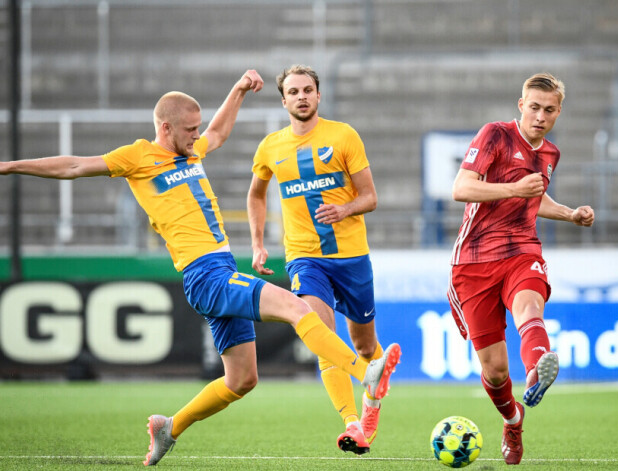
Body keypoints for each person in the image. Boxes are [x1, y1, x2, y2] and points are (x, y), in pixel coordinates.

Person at [0, 69, 401, 466]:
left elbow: (220, 133)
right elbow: (72, 166)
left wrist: (239, 90)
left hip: (221, 266)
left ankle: (169, 427)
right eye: (191, 129)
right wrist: (9, 166)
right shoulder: (138, 157)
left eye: (197, 128)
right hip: (205, 274)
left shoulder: (189, 151)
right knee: (299, 309)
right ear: (165, 127)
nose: (198, 136)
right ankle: (363, 373)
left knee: (241, 380)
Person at [447, 72, 595, 465]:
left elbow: (536, 197)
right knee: (495, 373)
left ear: (558, 112)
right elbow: (461, 188)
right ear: (521, 105)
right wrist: (513, 188)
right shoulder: (494, 135)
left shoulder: (551, 154)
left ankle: (536, 372)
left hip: (520, 250)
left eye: (549, 110)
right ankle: (513, 420)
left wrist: (570, 214)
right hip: (474, 260)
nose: (540, 116)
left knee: (530, 307)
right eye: (534, 107)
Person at [247, 65, 386, 455]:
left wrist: (345, 211)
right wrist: (258, 243)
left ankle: (372, 395)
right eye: (294, 92)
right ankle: (351, 422)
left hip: (351, 256)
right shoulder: (271, 147)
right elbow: (256, 194)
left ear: (318, 96)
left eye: (308, 90)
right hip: (305, 258)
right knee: (321, 333)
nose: (302, 96)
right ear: (284, 100)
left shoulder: (343, 136)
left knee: (363, 343)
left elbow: (370, 197)